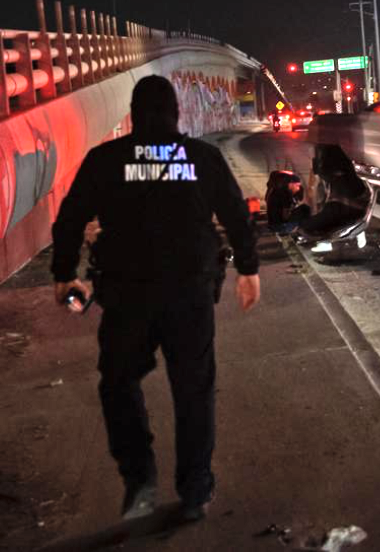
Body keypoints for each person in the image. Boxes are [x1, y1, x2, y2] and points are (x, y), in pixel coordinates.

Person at [50, 74, 260, 523]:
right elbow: (236, 214)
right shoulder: (201, 158)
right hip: (190, 294)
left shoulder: (106, 160)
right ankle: (195, 491)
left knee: (119, 384)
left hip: (127, 297)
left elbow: (69, 219)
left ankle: (140, 481)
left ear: (133, 113)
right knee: (194, 391)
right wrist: (248, 268)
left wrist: (63, 274)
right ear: (176, 113)